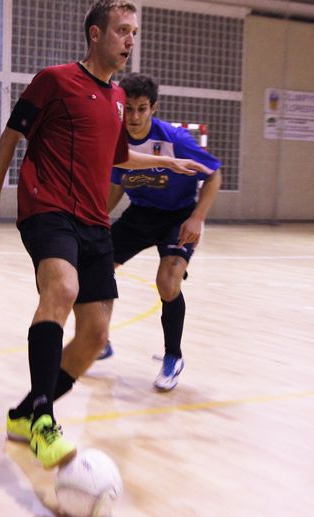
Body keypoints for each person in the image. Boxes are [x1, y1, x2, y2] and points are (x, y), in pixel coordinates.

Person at [0, 0, 212, 469]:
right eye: (122, 30)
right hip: (48, 208)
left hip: (94, 221)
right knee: (62, 288)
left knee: (95, 337)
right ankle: (43, 421)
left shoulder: (117, 98)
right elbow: (10, 138)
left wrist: (167, 161)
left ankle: (24, 413)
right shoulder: (55, 80)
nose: (130, 40)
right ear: (95, 34)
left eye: (134, 32)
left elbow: (118, 156)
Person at [97, 73, 222, 392]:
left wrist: (197, 218)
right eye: (129, 109)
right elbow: (116, 186)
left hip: (178, 216)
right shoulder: (115, 139)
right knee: (97, 266)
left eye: (142, 109)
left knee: (167, 284)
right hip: (140, 214)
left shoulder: (175, 139)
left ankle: (173, 357)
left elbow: (213, 175)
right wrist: (95, 218)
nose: (135, 116)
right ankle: (99, 340)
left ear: (153, 108)